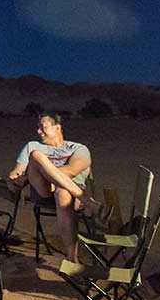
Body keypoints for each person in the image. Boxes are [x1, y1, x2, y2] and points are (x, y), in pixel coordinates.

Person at [6, 112, 102, 262]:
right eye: (38, 128)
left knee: (62, 192)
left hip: (69, 198)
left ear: (57, 128)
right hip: (43, 192)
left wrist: (37, 173)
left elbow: (71, 171)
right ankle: (88, 201)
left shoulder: (79, 148)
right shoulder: (32, 146)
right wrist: (16, 179)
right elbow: (15, 175)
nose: (38, 131)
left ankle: (72, 259)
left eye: (42, 127)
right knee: (36, 155)